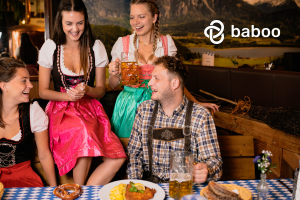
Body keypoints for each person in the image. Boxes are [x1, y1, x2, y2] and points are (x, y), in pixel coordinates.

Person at [38, 0, 126, 185]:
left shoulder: (96, 47)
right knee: (83, 130)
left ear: (86, 21)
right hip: (61, 110)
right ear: (60, 23)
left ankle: (83, 192)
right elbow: (43, 92)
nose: (75, 29)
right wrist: (68, 96)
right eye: (68, 23)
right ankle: (79, 189)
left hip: (90, 108)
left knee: (118, 157)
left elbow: (101, 90)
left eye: (79, 23)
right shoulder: (51, 48)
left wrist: (88, 89)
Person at [108, 0, 219, 138]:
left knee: (160, 149)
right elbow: (112, 85)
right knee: (128, 150)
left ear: (154, 18)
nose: (135, 22)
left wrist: (196, 103)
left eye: (141, 16)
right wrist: (115, 73)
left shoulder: (166, 44)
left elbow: (175, 82)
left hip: (161, 104)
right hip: (129, 106)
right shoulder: (122, 44)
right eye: (132, 17)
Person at [127, 56, 222, 183]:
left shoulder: (200, 115)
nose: (149, 83)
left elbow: (214, 162)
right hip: (151, 188)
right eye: (151, 77)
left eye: (156, 78)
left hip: (186, 190)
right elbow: (134, 156)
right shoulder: (144, 110)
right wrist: (136, 186)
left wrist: (207, 170)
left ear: (174, 83)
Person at [0, 57, 57, 188]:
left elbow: (44, 155)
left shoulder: (33, 113)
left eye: (29, 80)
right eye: (24, 81)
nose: (30, 85)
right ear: (4, 86)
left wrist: (54, 190)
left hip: (24, 179)